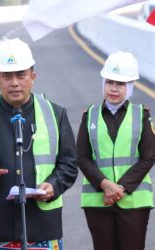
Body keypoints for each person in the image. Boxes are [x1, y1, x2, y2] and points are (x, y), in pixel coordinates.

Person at [0, 38, 78, 249]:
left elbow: (69, 163)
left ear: (33, 77)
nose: (14, 82)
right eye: (7, 76)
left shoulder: (55, 113)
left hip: (42, 228)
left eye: (21, 75)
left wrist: (54, 185)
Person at [77, 51, 155, 250]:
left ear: (129, 87)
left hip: (134, 201)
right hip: (98, 201)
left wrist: (119, 188)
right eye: (109, 82)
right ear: (103, 83)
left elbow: (148, 157)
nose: (114, 88)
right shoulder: (90, 115)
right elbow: (83, 157)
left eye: (120, 84)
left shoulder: (142, 116)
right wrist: (104, 185)